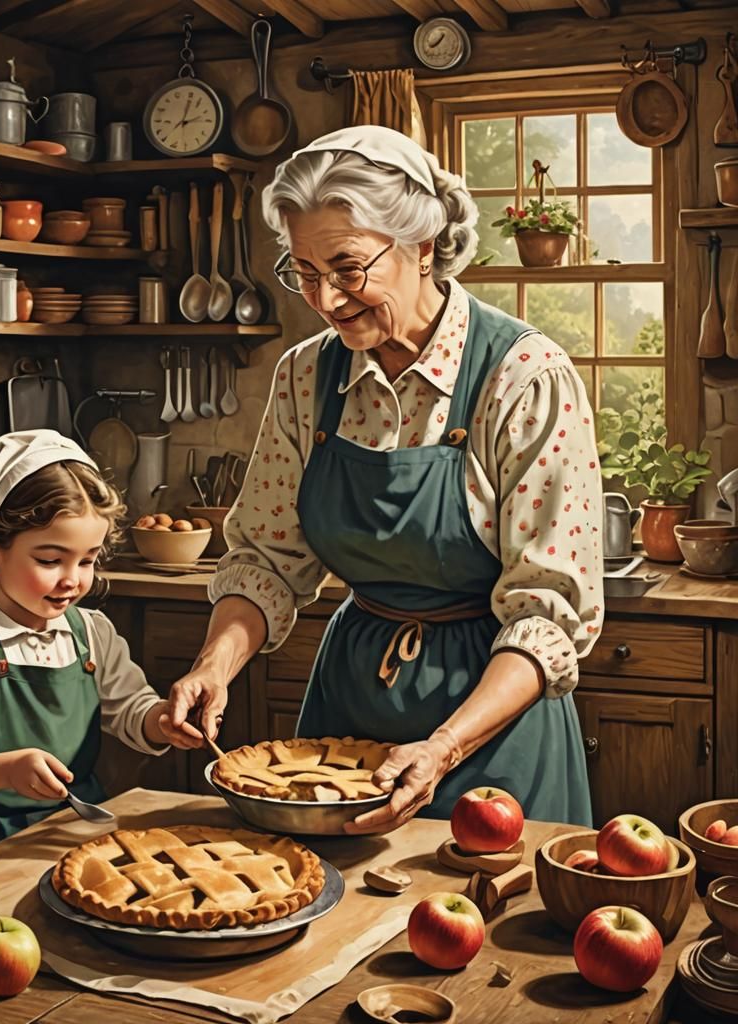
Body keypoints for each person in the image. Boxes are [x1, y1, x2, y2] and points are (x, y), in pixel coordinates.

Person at [167, 126, 603, 833]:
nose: (327, 300)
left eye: (346, 267)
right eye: (303, 272)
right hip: (346, 715)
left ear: (422, 245)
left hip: (494, 723)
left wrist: (443, 747)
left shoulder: (523, 376)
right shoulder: (307, 376)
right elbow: (266, 563)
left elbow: (547, 614)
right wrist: (215, 666)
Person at [0, 430, 192, 839]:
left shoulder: (91, 633)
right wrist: (5, 770)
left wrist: (162, 721)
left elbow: (131, 707)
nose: (72, 580)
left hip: (74, 831)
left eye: (87, 560)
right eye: (51, 560)